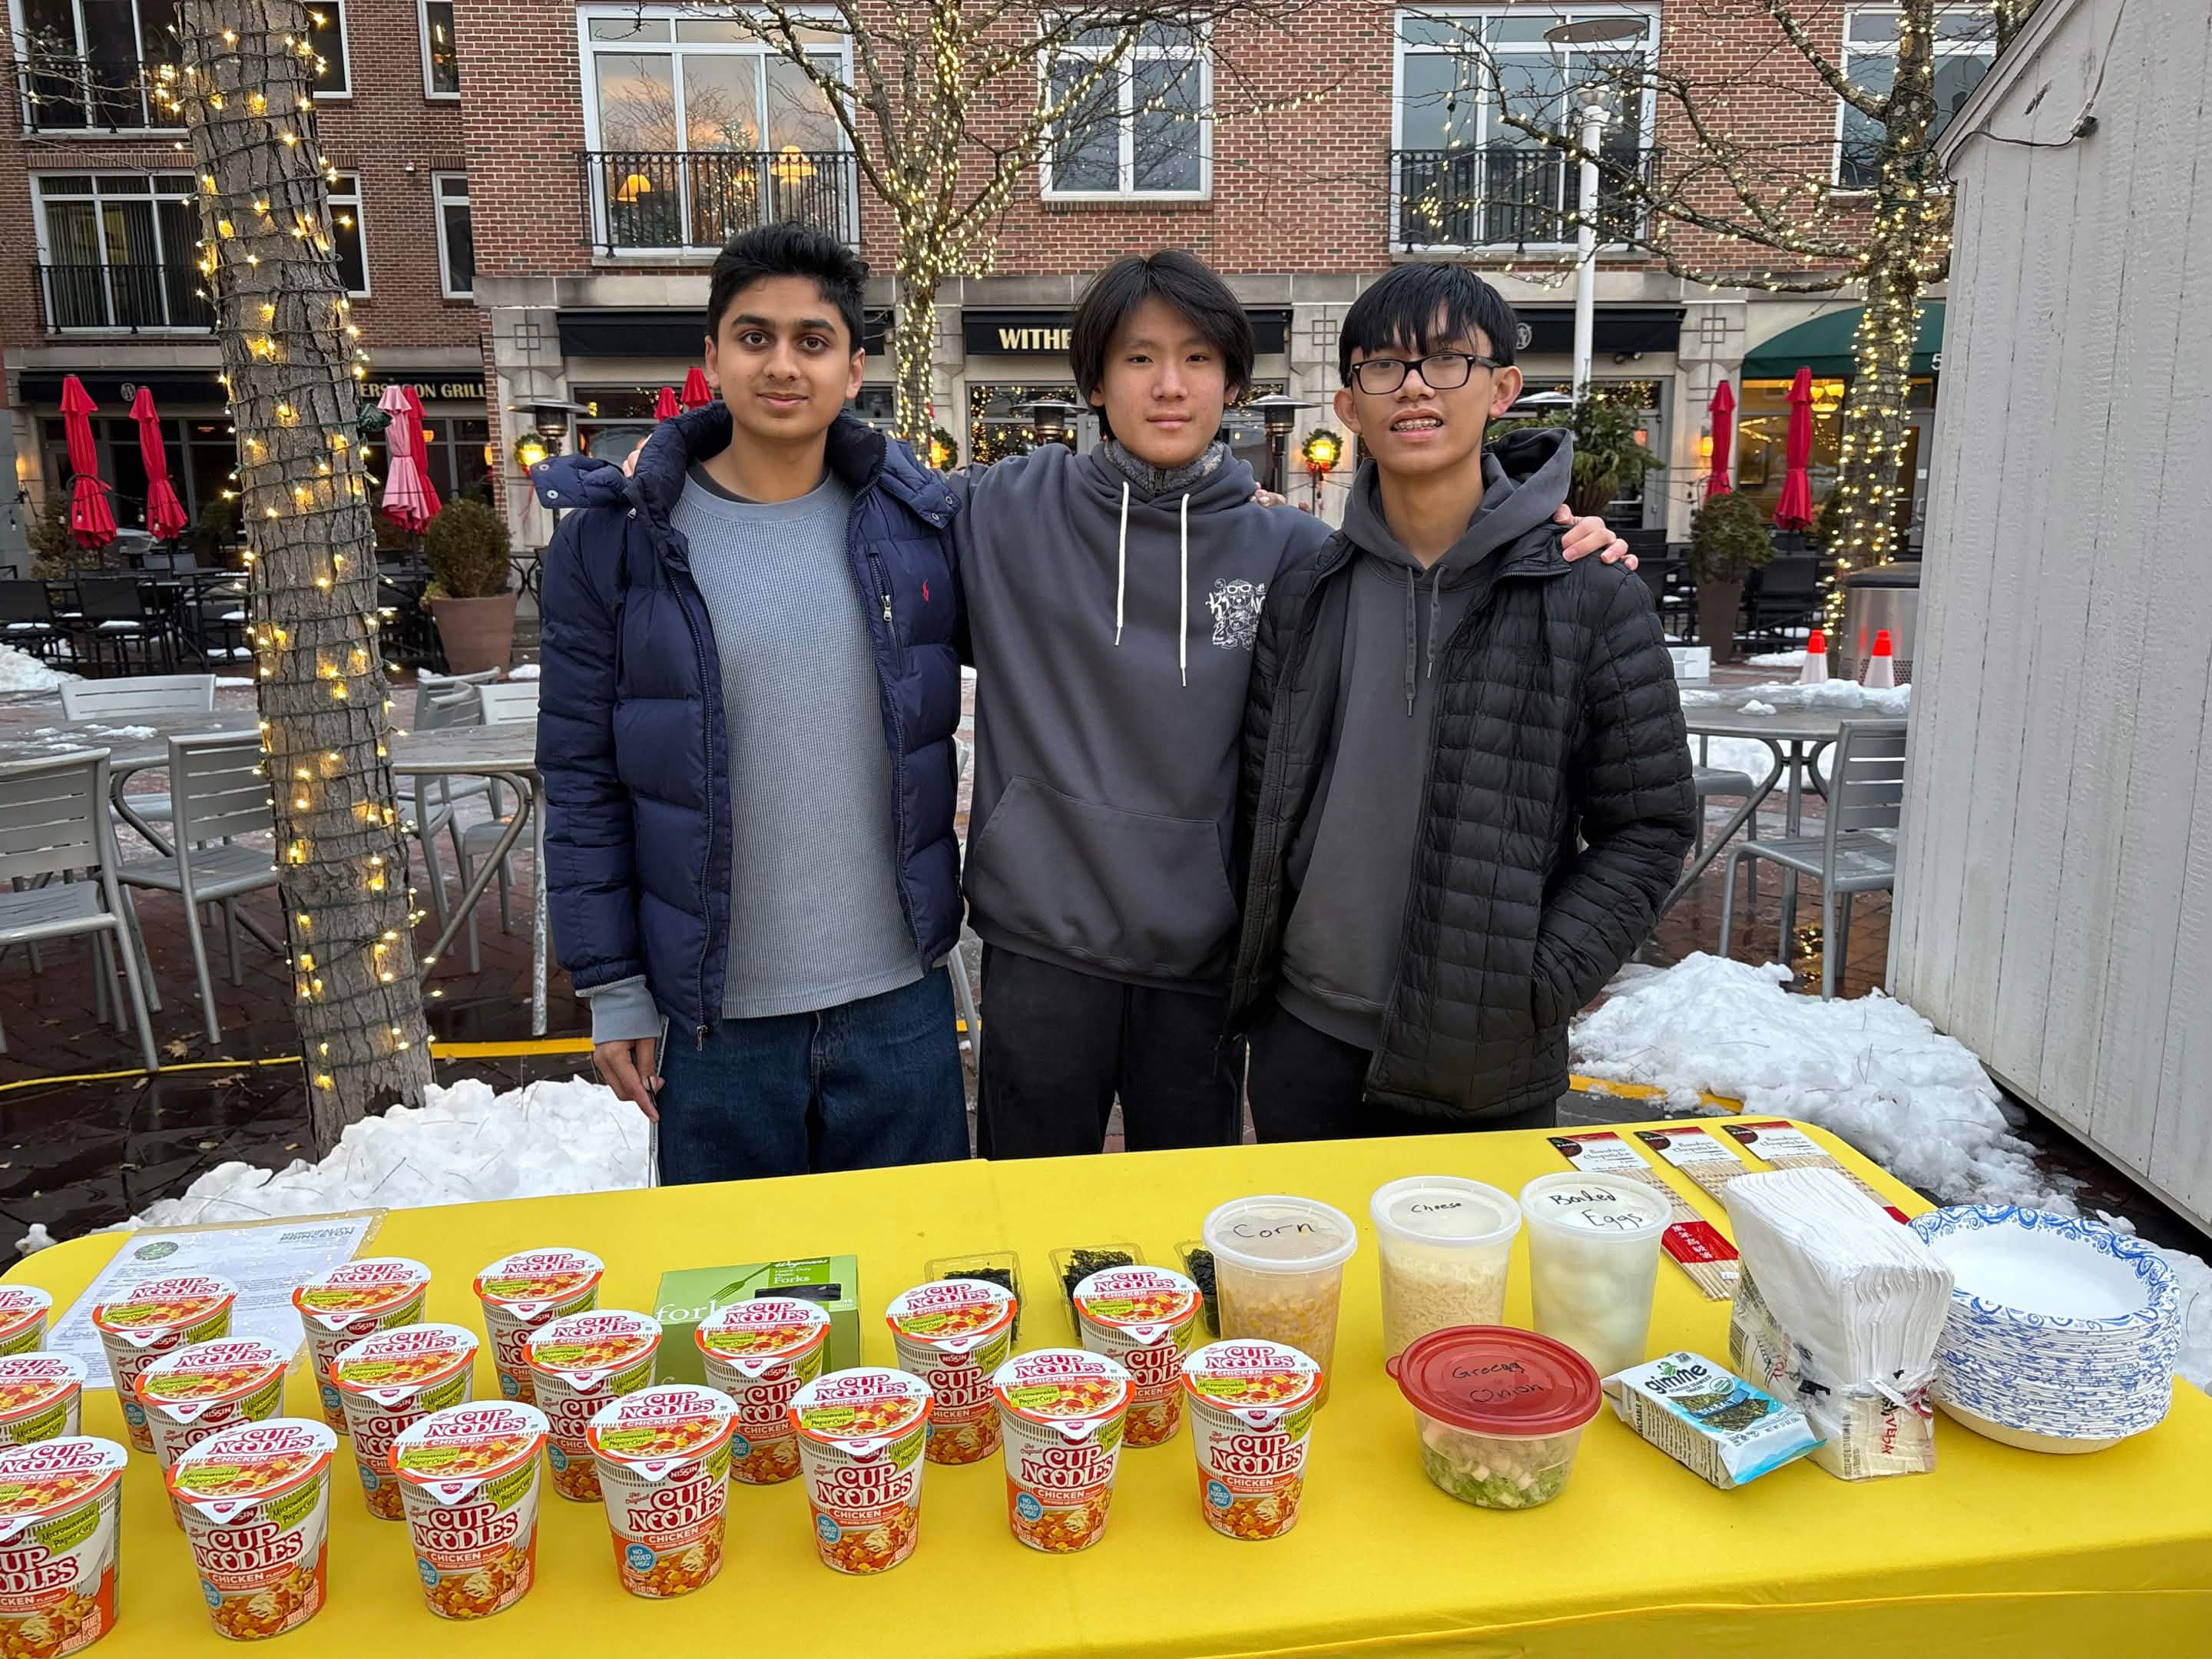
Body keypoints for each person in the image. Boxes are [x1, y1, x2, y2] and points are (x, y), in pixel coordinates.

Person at [952, 252, 1634, 1158]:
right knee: (1023, 1207)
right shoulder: (1001, 508)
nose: (1168, 385)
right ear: (1094, 379)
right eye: (1137, 357)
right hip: (1039, 941)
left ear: (1233, 381)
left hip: (1206, 955)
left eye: (1197, 359)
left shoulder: (1297, 553)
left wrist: (1550, 529)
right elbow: (851, 500)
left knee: (1192, 1225)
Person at [534, 222, 969, 1182]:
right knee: (737, 1316)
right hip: (713, 1021)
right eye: (755, 336)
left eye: (812, 341)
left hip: (900, 1003)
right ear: (712, 357)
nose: (783, 364)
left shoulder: (918, 529)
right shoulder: (612, 544)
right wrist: (611, 983)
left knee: (926, 1301)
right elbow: (581, 777)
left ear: (854, 371)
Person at [1229, 263, 1697, 1141]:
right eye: (1382, 367)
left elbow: (1651, 824)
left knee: (1468, 1284)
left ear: (1502, 390)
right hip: (1302, 1036)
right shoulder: (1307, 587)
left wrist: (1537, 981)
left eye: (1446, 360)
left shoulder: (1586, 590)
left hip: (1481, 1058)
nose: (1413, 387)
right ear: (1348, 404)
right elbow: (1264, 794)